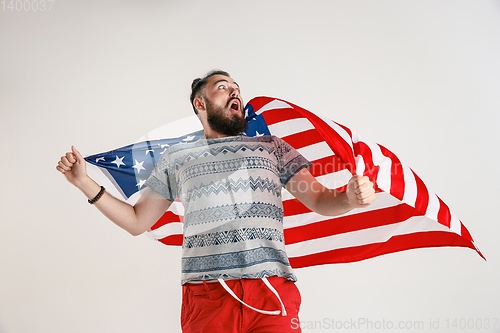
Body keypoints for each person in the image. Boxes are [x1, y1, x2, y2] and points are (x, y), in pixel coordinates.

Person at [56, 70, 376, 332]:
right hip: (207, 300)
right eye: (223, 87)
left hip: (271, 295)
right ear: (201, 103)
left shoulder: (273, 148)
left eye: (237, 88)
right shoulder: (177, 159)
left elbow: (320, 199)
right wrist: (85, 183)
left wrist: (348, 197)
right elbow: (138, 221)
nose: (234, 92)